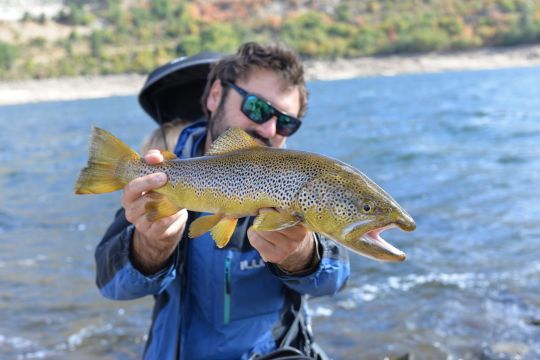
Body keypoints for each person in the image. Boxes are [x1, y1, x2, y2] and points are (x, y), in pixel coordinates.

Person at [95, 42, 350, 360]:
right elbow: (111, 285)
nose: (269, 128)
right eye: (257, 108)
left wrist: (302, 257)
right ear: (216, 95)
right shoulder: (158, 180)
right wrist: (150, 246)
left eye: (286, 123)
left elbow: (335, 279)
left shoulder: (297, 185)